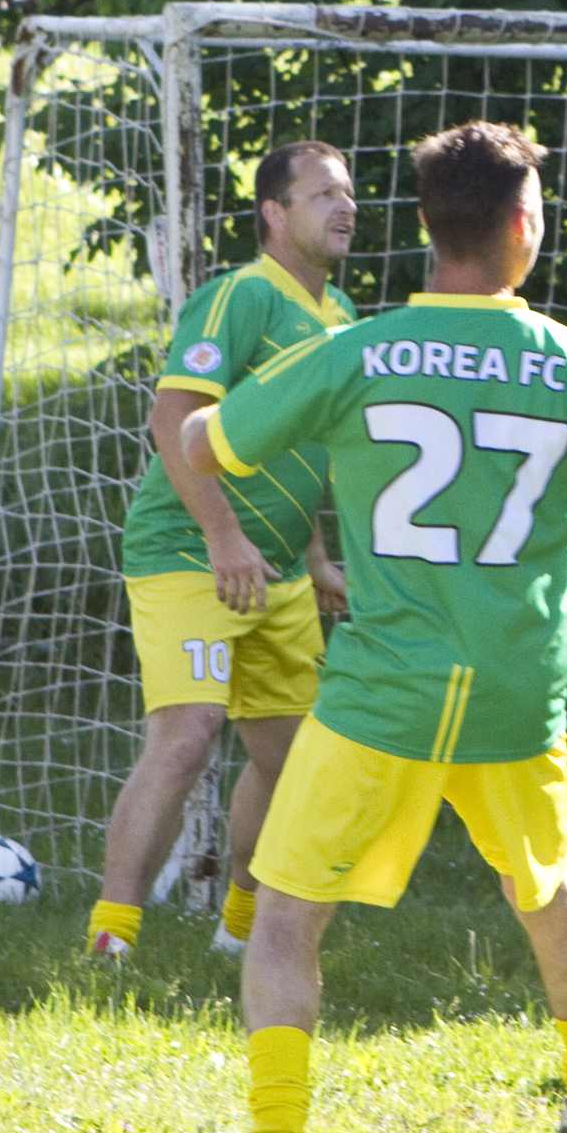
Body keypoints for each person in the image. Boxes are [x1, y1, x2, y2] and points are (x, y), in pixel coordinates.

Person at [177, 121, 567, 1133]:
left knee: (288, 910)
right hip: (512, 689)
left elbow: (197, 440)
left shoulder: (355, 350)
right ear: (524, 225)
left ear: (425, 226)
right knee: (548, 894)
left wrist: (236, 513)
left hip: (381, 690)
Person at [88, 139, 358, 963]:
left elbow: (299, 450)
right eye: (322, 196)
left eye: (348, 194)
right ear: (274, 214)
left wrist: (311, 555)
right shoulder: (238, 298)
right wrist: (223, 535)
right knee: (191, 730)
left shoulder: (342, 319)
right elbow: (174, 421)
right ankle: (112, 939)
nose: (345, 208)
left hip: (272, 569)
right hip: (190, 551)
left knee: (294, 763)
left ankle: (239, 931)